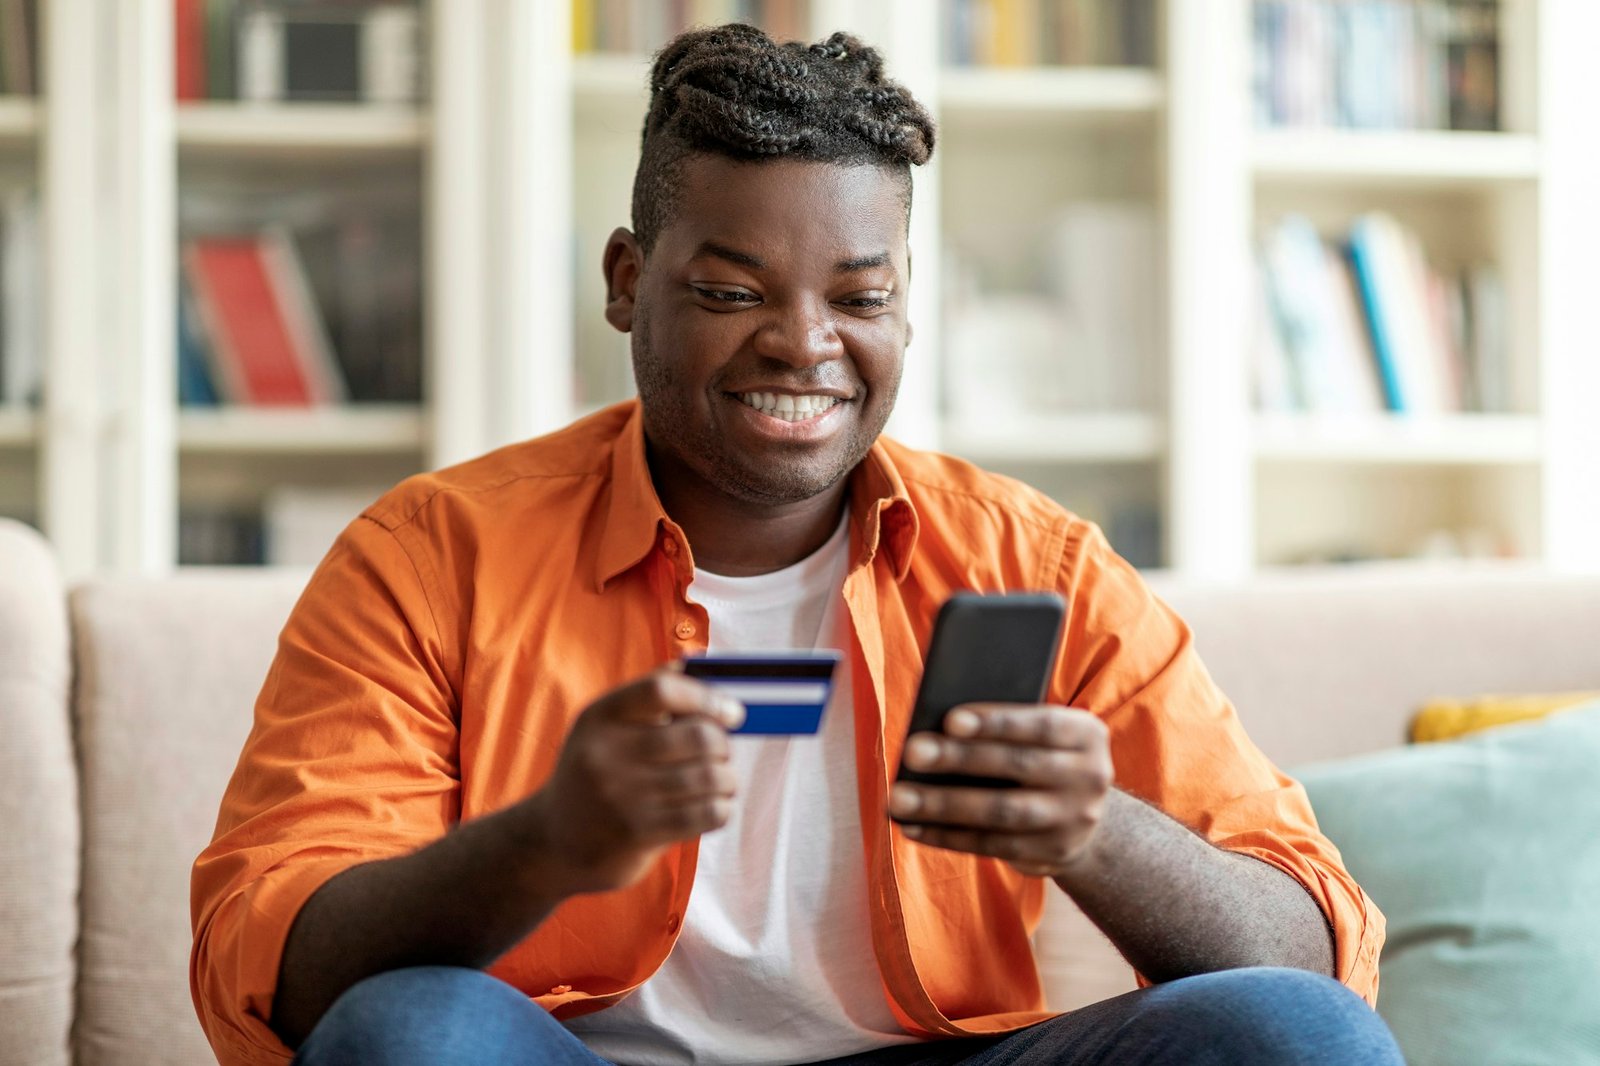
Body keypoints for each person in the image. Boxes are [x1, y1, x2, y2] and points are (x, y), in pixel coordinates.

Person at [190, 23, 1402, 1066]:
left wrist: (1095, 831)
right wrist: (546, 841)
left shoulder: (1035, 561)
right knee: (416, 1030)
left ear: (906, 303)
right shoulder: (428, 556)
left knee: (1298, 1035)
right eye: (731, 292)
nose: (803, 343)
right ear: (626, 281)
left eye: (860, 297)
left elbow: (1311, 952)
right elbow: (279, 970)